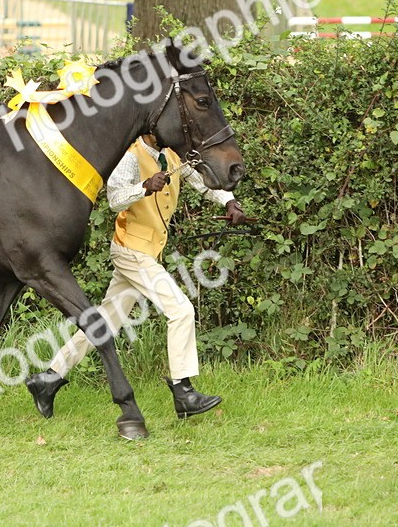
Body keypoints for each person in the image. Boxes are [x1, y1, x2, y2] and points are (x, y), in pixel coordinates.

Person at [25, 134, 252, 426]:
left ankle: (48, 378)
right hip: (131, 251)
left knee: (105, 323)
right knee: (181, 310)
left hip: (147, 251)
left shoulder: (172, 156)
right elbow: (114, 199)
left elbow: (201, 181)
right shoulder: (130, 156)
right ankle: (183, 391)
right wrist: (144, 187)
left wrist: (229, 202)